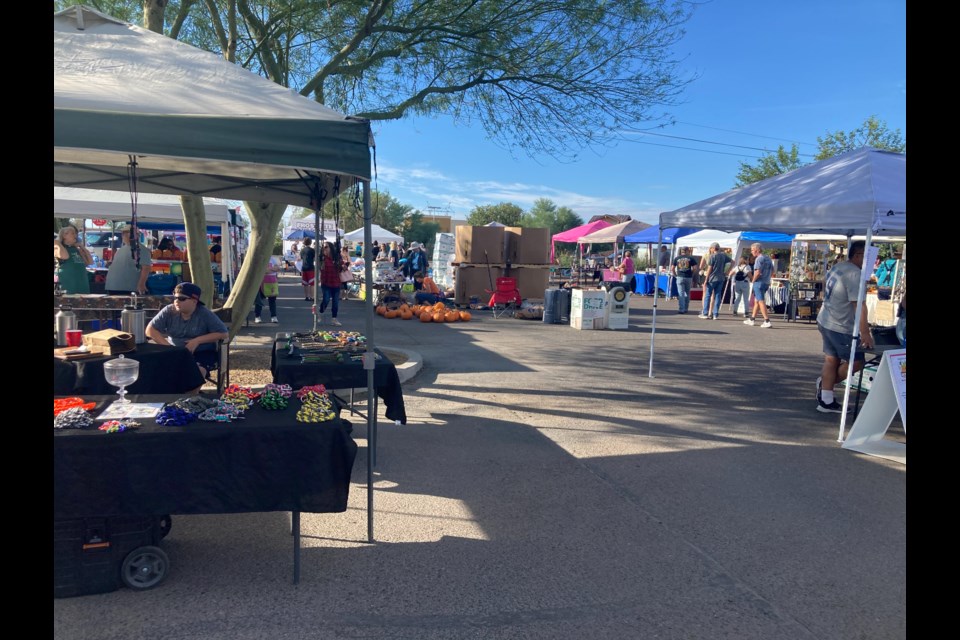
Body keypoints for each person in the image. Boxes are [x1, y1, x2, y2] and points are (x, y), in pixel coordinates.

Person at [815, 241, 874, 413]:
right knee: (856, 362)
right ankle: (826, 384)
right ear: (858, 255)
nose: (871, 260)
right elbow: (859, 306)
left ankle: (826, 397)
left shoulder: (839, 266)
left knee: (831, 359)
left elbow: (826, 284)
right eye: (868, 256)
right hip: (840, 325)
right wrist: (865, 333)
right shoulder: (855, 274)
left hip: (826, 319)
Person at [145, 282, 229, 381]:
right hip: (174, 352)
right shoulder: (168, 311)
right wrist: (169, 348)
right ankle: (170, 395)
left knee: (197, 371)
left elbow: (223, 333)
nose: (176, 301)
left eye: (181, 298)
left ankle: (191, 396)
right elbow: (150, 330)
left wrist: (197, 341)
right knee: (154, 369)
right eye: (175, 297)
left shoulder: (204, 313)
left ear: (194, 301)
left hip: (201, 353)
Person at [105, 227, 152, 295]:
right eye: (124, 234)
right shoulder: (121, 250)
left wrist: (141, 284)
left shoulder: (142, 250)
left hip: (128, 288)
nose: (124, 236)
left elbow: (146, 268)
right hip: (114, 286)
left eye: (127, 234)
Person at [54, 224, 93, 294]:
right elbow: (65, 256)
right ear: (64, 235)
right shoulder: (59, 247)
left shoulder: (76, 249)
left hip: (81, 281)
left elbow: (90, 262)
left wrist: (82, 247)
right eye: (72, 233)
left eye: (75, 233)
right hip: (67, 281)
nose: (75, 235)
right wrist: (58, 242)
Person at [744, 243, 774, 328]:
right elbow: (772, 270)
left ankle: (767, 320)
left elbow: (757, 272)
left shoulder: (758, 259)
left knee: (760, 301)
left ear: (757, 250)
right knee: (757, 301)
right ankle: (752, 319)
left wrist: (752, 281)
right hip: (766, 282)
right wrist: (768, 278)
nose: (751, 252)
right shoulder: (767, 258)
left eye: (752, 250)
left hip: (759, 282)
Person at [699, 243, 732, 320]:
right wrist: (727, 271)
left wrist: (706, 279)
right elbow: (733, 262)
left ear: (713, 248)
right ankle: (715, 314)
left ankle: (705, 313)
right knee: (717, 295)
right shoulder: (723, 256)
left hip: (712, 278)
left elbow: (710, 268)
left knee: (708, 295)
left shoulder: (712, 256)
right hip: (721, 277)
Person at [316, 241, 343, 326]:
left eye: (326, 247)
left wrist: (343, 266)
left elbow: (340, 268)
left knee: (335, 302)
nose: (324, 249)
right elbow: (318, 268)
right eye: (323, 247)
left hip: (336, 282)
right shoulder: (321, 258)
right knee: (326, 299)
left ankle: (334, 319)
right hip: (326, 282)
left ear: (331, 248)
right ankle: (320, 312)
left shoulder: (336, 257)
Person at [253, 256, 281, 324]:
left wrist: (267, 270)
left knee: (272, 301)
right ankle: (257, 316)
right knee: (259, 301)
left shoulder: (273, 259)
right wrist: (271, 269)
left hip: (272, 283)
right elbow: (260, 270)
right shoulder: (260, 259)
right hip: (261, 283)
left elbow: (278, 268)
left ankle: (273, 316)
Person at [671, 246, 697, 314]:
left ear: (681, 251)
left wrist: (675, 275)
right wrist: (692, 274)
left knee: (681, 293)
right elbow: (695, 268)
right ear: (687, 251)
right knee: (687, 293)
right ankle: (686, 308)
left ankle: (681, 309)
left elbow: (672, 268)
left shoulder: (677, 258)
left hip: (679, 277)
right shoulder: (691, 258)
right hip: (688, 277)